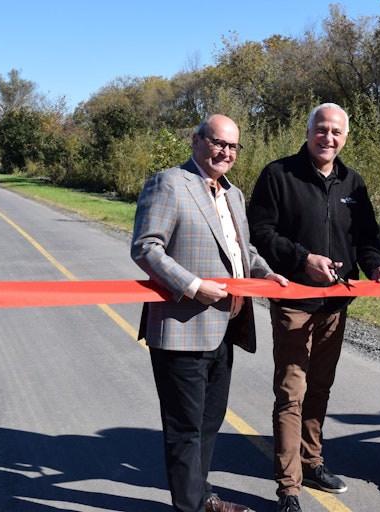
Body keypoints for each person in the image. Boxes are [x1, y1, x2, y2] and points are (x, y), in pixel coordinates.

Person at [131, 114, 288, 512]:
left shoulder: (233, 194)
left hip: (225, 329)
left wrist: (267, 274)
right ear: (197, 140)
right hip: (181, 328)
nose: (226, 152)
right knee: (184, 429)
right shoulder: (169, 182)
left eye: (233, 146)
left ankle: (201, 498)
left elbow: (242, 250)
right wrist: (193, 286)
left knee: (208, 424)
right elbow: (147, 248)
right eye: (219, 143)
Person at [247, 102, 380, 512]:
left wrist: (379, 267)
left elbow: (367, 240)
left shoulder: (354, 183)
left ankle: (312, 462)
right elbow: (260, 232)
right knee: (291, 392)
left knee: (321, 388)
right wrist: (301, 260)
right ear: (308, 130)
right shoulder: (278, 174)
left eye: (336, 132)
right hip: (294, 300)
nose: (328, 138)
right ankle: (288, 487)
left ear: (345, 137)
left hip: (337, 303)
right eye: (321, 129)